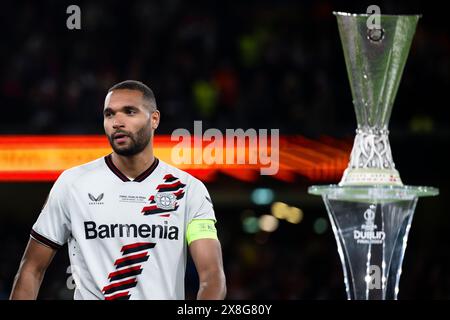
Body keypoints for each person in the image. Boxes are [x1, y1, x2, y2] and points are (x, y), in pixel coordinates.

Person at [9, 80, 226, 300]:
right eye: (109, 114)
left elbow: (211, 275)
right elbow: (31, 269)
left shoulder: (188, 189)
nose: (117, 122)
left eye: (129, 112)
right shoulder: (73, 184)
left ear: (154, 119)